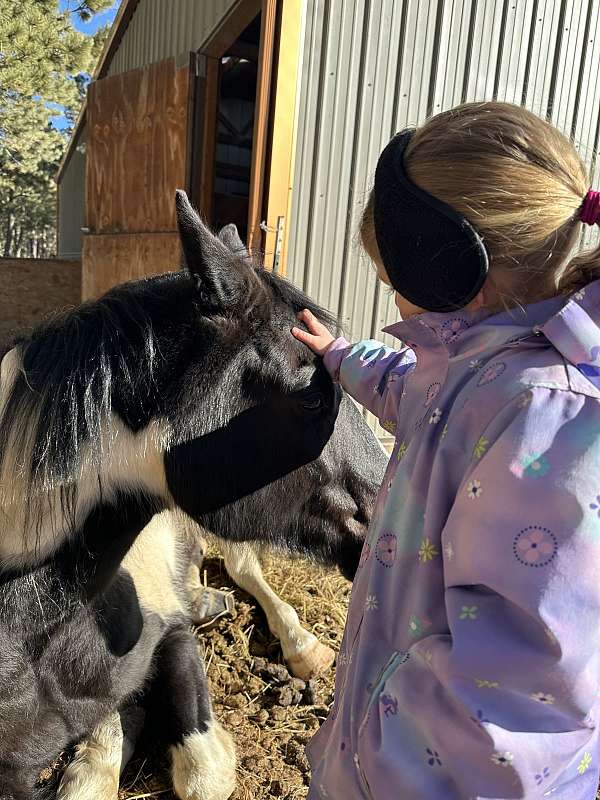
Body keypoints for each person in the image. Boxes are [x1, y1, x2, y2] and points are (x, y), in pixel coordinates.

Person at [292, 101, 600, 799]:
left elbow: (526, 704)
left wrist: (366, 772)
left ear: (446, 269)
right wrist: (340, 356)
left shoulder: (549, 416)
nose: (387, 287)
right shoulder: (479, 368)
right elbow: (418, 396)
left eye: (393, 272)